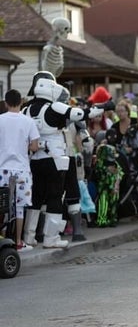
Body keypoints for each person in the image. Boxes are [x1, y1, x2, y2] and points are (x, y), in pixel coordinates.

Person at [22, 72, 105, 248]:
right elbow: (78, 113)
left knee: (35, 198)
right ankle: (51, 238)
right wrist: (99, 108)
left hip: (33, 158)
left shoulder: (26, 109)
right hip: (54, 157)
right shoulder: (54, 107)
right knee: (54, 197)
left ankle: (29, 238)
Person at [0, 89, 40, 251]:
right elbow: (35, 146)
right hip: (22, 169)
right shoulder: (28, 121)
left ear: (5, 103)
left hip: (2, 168)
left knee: (1, 204)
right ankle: (18, 241)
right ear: (21, 102)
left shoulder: (0, 120)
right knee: (20, 206)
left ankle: (1, 239)